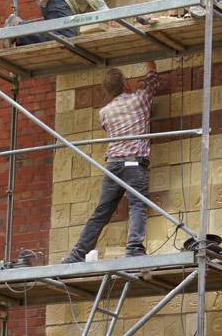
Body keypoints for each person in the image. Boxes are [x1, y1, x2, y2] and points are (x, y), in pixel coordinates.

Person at [62, 61, 160, 263]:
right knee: (137, 205)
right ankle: (133, 249)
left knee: (102, 211)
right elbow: (152, 81)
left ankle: (77, 254)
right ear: (125, 84)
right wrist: (151, 63)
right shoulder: (139, 99)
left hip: (113, 164)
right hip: (134, 163)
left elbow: (109, 130)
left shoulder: (104, 112)